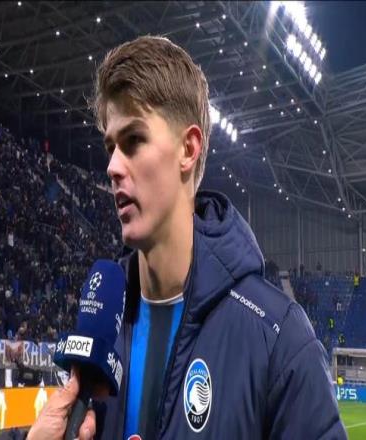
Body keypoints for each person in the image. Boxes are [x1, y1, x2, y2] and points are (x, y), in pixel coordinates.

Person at [29, 36, 346, 439]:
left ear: (188, 149)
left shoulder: (277, 336)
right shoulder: (103, 319)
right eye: (110, 147)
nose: (112, 166)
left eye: (133, 141)